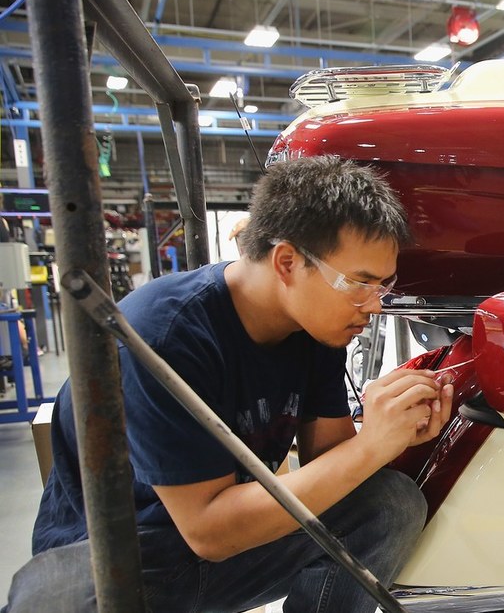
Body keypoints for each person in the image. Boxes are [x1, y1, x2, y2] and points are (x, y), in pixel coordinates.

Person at [5, 155, 453, 612]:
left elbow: (332, 464)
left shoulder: (315, 328)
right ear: (286, 262)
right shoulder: (165, 334)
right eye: (360, 282)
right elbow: (210, 532)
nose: (374, 306)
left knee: (389, 503)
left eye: (382, 286)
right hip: (122, 561)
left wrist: (394, 431)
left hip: (229, 544)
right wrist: (370, 447)